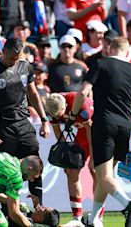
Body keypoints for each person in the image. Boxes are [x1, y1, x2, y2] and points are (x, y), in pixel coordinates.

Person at [66, 37, 131, 227]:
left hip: (104, 124)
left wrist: (72, 116)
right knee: (106, 174)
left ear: (110, 48)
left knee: (103, 176)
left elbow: (82, 93)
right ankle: (95, 218)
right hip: (126, 127)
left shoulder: (101, 64)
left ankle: (127, 204)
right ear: (127, 52)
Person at [0, 38, 51, 207]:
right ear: (3, 51)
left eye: (16, 58)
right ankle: (10, 215)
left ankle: (39, 210)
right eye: (11, 58)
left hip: (24, 124)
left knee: (36, 167)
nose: (13, 61)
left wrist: (44, 120)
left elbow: (33, 94)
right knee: (6, 174)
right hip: (3, 128)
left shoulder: (25, 66)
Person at [45, 92, 101, 227]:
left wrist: (93, 159)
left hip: (97, 131)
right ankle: (77, 218)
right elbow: (57, 131)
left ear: (65, 106)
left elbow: (90, 132)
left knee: (95, 171)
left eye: (59, 114)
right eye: (55, 116)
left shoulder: (81, 105)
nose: (58, 117)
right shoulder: (51, 107)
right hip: (81, 132)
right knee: (71, 170)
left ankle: (98, 217)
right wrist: (66, 153)